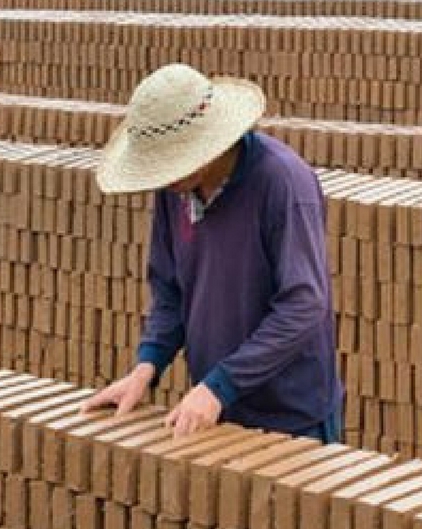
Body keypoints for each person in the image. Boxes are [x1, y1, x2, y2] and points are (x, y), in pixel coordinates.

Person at [83, 63, 342, 442]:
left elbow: (303, 305)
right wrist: (146, 366)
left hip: (291, 415)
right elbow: (170, 291)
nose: (168, 179)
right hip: (220, 410)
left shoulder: (282, 182)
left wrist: (220, 385)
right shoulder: (176, 190)